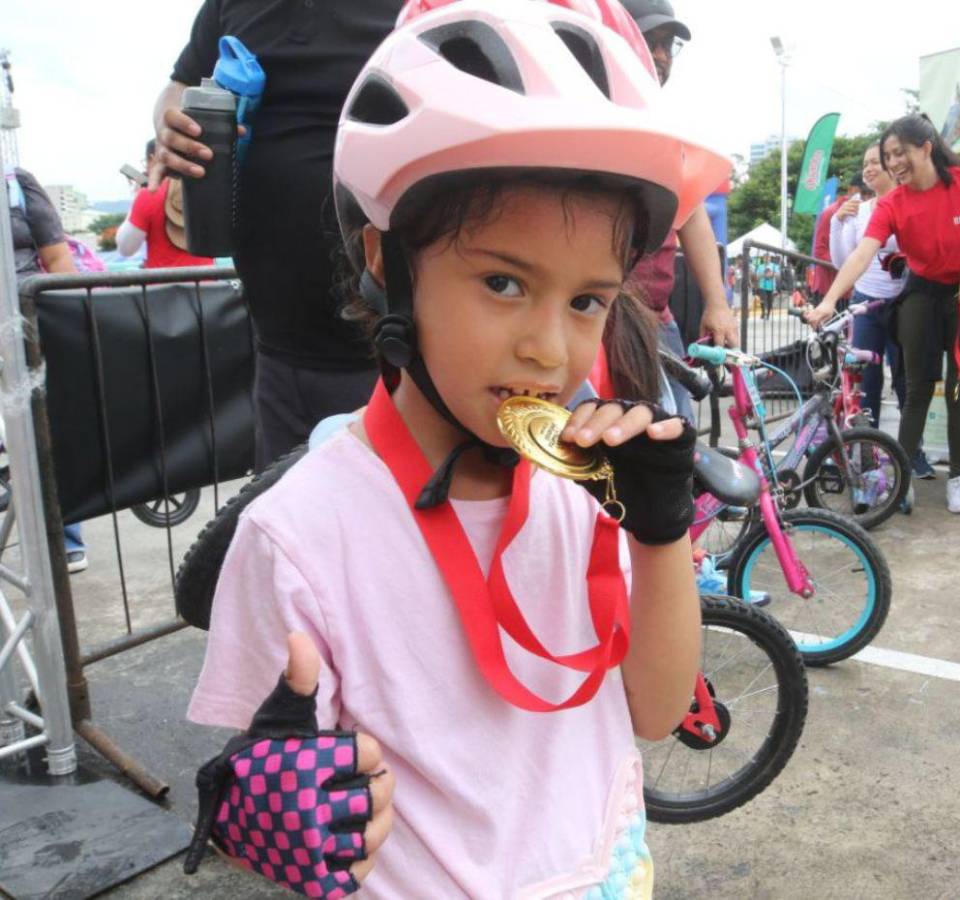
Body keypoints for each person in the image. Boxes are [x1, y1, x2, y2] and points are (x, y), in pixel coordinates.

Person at [185, 1, 726, 895]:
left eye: (587, 301)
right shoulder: (298, 534)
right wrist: (268, 810)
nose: (549, 350)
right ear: (386, 263)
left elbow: (657, 710)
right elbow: (254, 799)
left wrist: (659, 532)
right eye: (503, 282)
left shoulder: (588, 483)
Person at [152, 1, 403, 470]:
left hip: (398, 357)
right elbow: (180, 84)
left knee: (392, 510)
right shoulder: (229, 5)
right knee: (281, 507)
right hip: (276, 349)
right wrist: (171, 122)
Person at [806, 115, 960, 514]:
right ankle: (903, 482)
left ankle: (958, 479)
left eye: (899, 153)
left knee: (959, 391)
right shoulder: (893, 202)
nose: (893, 163)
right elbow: (863, 253)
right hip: (922, 292)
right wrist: (829, 301)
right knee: (917, 387)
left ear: (926, 148)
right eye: (887, 156)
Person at [619, 0, 738, 423]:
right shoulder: (589, 113)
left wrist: (717, 303)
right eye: (648, 41)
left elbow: (691, 213)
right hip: (602, 320)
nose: (661, 56)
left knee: (676, 439)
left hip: (656, 318)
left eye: (667, 45)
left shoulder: (666, 125)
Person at [829, 143, 936, 479]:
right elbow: (843, 261)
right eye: (866, 163)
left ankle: (912, 454)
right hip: (866, 303)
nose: (869, 168)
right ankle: (867, 455)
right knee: (866, 383)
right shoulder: (859, 210)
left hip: (905, 303)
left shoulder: (911, 203)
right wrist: (837, 223)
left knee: (907, 382)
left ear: (893, 166)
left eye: (876, 161)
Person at [6, 166, 88, 573]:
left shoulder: (16, 184)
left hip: (26, 331)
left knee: (45, 437)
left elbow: (58, 260)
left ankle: (63, 539)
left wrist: (71, 328)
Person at [117, 139, 215, 269]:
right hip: (207, 280)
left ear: (153, 159)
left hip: (164, 281)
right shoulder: (207, 189)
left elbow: (126, 248)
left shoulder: (149, 194)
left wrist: (137, 197)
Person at [811, 179, 859, 306]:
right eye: (863, 193)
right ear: (851, 190)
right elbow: (820, 251)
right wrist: (848, 263)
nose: (866, 198)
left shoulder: (866, 211)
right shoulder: (831, 212)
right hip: (829, 288)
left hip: (853, 289)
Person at [756, 254, 777, 319]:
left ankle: (768, 314)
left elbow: (778, 274)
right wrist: (764, 274)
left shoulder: (774, 266)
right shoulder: (760, 266)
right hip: (762, 286)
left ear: (770, 258)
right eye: (765, 258)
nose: (767, 259)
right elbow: (757, 276)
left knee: (770, 301)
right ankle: (763, 312)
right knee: (763, 300)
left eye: (768, 258)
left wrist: (771, 274)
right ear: (763, 259)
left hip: (771, 286)